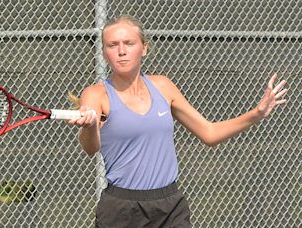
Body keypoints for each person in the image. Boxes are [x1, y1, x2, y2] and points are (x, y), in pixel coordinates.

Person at [68, 15, 288, 228]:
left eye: (129, 43)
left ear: (143, 48)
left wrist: (256, 113)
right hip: (122, 210)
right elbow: (90, 148)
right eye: (112, 45)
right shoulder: (96, 94)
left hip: (170, 207)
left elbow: (209, 133)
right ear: (105, 53)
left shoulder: (163, 86)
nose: (122, 51)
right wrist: (89, 126)